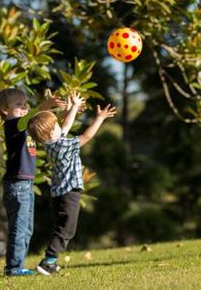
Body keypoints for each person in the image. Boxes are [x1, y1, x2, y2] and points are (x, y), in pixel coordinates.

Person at [27, 92, 116, 275]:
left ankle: (51, 261)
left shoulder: (51, 143)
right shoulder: (62, 145)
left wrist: (73, 107)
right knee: (67, 229)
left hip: (59, 194)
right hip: (69, 194)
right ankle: (48, 261)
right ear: (52, 132)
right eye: (56, 126)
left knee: (62, 227)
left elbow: (66, 125)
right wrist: (99, 118)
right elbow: (86, 137)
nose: (61, 125)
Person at [0, 88, 63, 277]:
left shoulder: (24, 125)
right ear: (4, 109)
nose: (24, 108)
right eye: (18, 105)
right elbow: (28, 119)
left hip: (26, 184)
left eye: (25, 104)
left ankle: (18, 266)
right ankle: (13, 268)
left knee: (27, 229)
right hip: (17, 185)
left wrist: (60, 110)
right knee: (19, 228)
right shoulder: (12, 125)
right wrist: (45, 105)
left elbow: (41, 124)